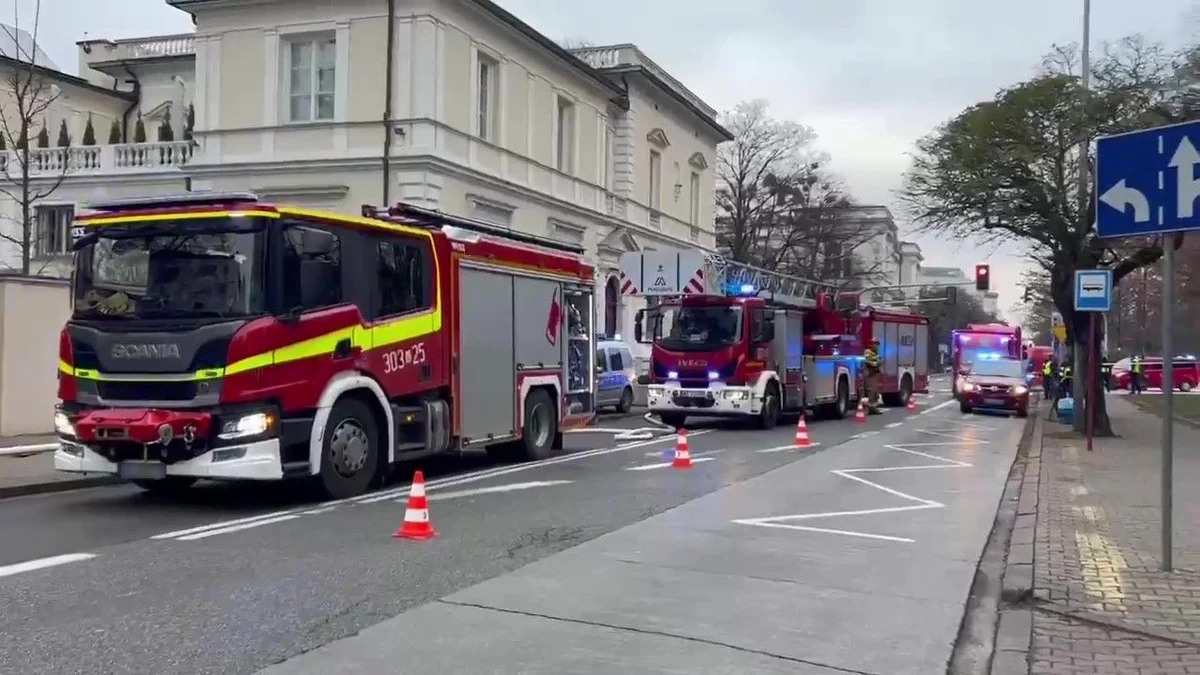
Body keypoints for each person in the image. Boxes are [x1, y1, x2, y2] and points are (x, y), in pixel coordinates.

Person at [864, 339, 883, 414]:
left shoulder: (876, 352)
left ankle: (873, 408)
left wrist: (879, 362)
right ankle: (869, 409)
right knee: (871, 391)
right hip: (870, 374)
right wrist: (876, 364)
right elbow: (867, 361)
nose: (876, 346)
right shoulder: (868, 351)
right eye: (875, 344)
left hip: (875, 374)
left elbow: (879, 360)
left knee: (875, 392)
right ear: (871, 344)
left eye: (877, 344)